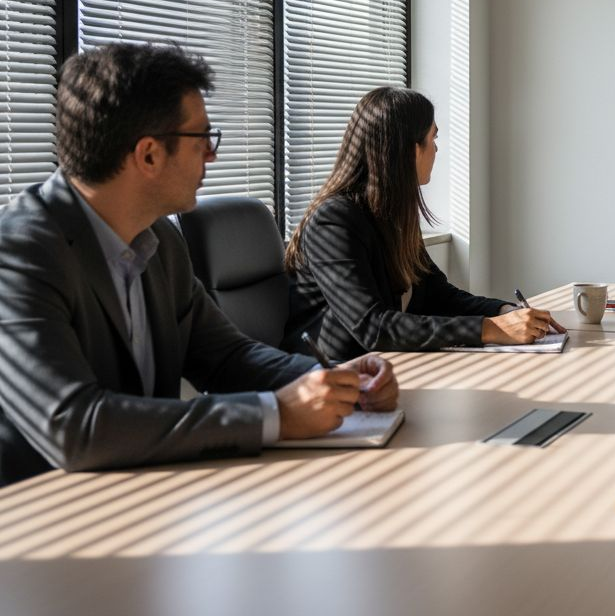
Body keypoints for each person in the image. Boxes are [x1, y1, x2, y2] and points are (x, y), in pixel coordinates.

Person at [0, 42, 399, 488]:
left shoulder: (159, 239)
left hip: (148, 494)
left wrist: (329, 380)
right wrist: (275, 415)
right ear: (148, 155)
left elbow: (227, 356)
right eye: (202, 138)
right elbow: (75, 426)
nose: (212, 155)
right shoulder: (20, 253)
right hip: (39, 519)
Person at [283, 87, 562, 362]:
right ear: (411, 150)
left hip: (391, 368)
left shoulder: (392, 214)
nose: (437, 149)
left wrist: (504, 312)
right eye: (433, 137)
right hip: (335, 383)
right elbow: (373, 327)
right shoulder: (332, 223)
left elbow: (438, 294)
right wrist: (488, 329)